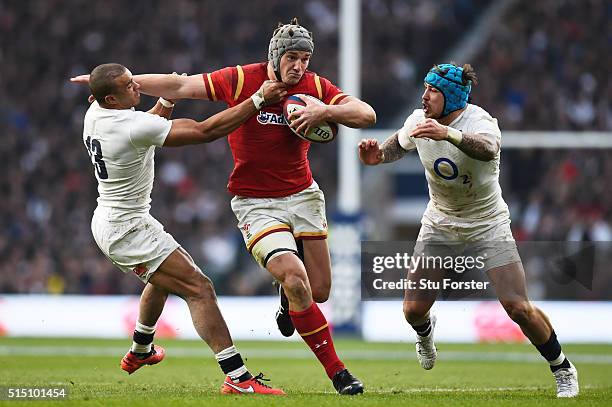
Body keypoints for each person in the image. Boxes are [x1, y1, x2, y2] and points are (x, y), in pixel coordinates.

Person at [73, 18, 376, 395]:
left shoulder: (314, 87)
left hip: (303, 196)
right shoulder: (241, 79)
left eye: (305, 58)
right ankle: (321, 374)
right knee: (210, 286)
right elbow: (193, 109)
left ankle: (141, 348)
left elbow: (367, 115)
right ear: (275, 56)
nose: (298, 66)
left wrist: (324, 112)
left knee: (319, 291)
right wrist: (256, 100)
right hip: (254, 202)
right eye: (292, 58)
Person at [358, 63, 579, 398]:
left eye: (433, 90)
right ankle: (426, 333)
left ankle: (562, 367)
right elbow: (398, 145)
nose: (425, 95)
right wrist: (378, 156)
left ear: (452, 97)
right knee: (413, 310)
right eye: (425, 87)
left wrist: (448, 134)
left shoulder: (479, 121)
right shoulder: (418, 119)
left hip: (487, 223)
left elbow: (489, 148)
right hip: (441, 221)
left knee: (517, 307)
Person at [78, 62, 287, 395]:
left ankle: (141, 350)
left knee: (163, 279)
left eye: (135, 79)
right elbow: (205, 132)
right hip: (126, 227)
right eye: (128, 86)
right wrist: (257, 100)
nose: (138, 87)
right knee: (199, 287)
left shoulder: (96, 113)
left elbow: (146, 120)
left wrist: (168, 98)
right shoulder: (130, 125)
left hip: (115, 219)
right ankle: (237, 376)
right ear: (111, 100)